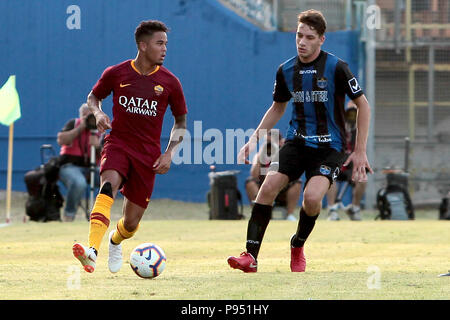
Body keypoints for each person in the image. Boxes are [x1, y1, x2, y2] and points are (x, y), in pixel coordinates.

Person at [227, 9, 373, 273]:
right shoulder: (286, 70)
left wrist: (360, 151)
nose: (302, 42)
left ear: (321, 40)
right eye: (299, 35)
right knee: (267, 186)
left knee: (313, 197)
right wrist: (253, 140)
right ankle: (250, 256)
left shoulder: (337, 68)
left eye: (309, 37)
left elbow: (364, 105)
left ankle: (297, 245)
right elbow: (277, 108)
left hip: (330, 147)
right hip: (297, 142)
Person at [72, 20, 188, 274]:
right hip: (118, 144)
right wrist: (98, 113)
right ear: (143, 46)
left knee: (132, 223)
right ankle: (92, 251)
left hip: (148, 157)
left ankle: (115, 240)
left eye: (166, 44)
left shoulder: (170, 83)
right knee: (107, 185)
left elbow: (181, 121)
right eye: (160, 43)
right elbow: (93, 97)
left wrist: (169, 153)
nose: (165, 49)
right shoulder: (117, 73)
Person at [57, 103, 102, 222]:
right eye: (85, 116)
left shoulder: (100, 130)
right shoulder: (73, 124)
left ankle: (101, 214)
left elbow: (105, 156)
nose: (88, 119)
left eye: (90, 116)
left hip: (92, 167)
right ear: (80, 116)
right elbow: (61, 140)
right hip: (69, 166)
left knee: (110, 181)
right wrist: (80, 128)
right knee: (79, 183)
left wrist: (97, 146)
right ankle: (69, 215)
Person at [245, 129, 301, 221]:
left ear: (279, 142)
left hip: (281, 188)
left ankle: (289, 214)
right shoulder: (260, 155)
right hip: (264, 187)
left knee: (297, 183)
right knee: (250, 182)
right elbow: (254, 175)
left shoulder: (285, 154)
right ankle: (257, 213)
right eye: (267, 142)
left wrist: (282, 150)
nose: (269, 145)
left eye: (271, 142)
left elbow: (293, 173)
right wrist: (260, 158)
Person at [326, 102, 367, 221]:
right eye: (350, 112)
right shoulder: (337, 125)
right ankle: (331, 209)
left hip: (351, 165)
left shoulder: (360, 127)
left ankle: (355, 208)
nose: (352, 115)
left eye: (355, 112)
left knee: (362, 178)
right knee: (329, 177)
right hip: (337, 161)